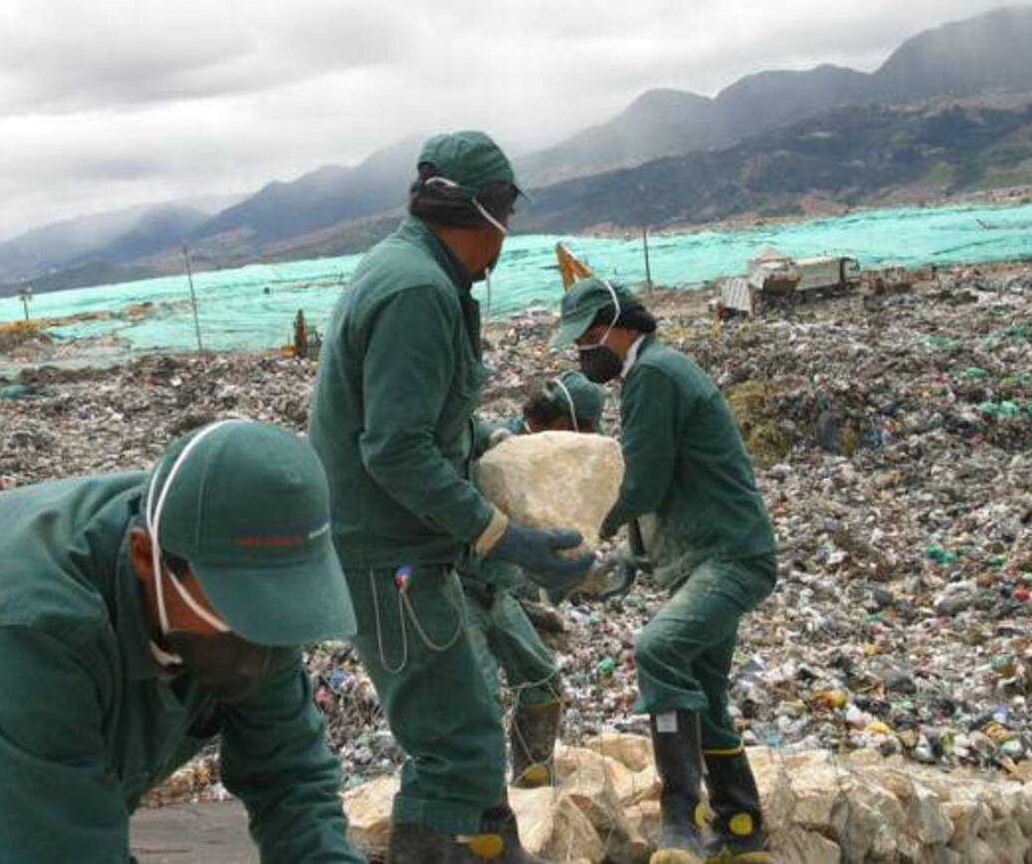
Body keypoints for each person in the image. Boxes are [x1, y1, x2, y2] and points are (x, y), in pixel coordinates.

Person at [309, 130, 593, 863]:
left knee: (461, 718)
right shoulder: (416, 291)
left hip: (401, 546)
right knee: (451, 740)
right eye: (507, 224)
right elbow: (395, 448)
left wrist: (488, 444)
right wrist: (503, 535)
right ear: (488, 215)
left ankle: (497, 850)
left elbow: (430, 420)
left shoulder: (411, 271)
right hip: (390, 555)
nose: (504, 245)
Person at [0, 419, 365, 864]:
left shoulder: (242, 581)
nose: (258, 652)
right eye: (237, 609)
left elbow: (292, 784)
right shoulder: (32, 635)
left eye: (276, 610)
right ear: (146, 558)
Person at [552, 279, 778, 864]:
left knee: (658, 650)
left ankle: (681, 820)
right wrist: (633, 556)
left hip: (726, 556)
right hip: (706, 554)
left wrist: (583, 529)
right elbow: (659, 480)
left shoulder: (654, 375)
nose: (583, 354)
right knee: (705, 690)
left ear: (619, 326)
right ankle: (743, 826)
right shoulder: (654, 371)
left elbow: (642, 481)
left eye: (587, 340)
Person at [464, 372, 606, 789]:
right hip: (459, 587)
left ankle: (533, 781)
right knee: (480, 696)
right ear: (564, 424)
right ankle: (480, 811)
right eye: (589, 427)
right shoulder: (504, 453)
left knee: (542, 681)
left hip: (498, 591)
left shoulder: (540, 451)